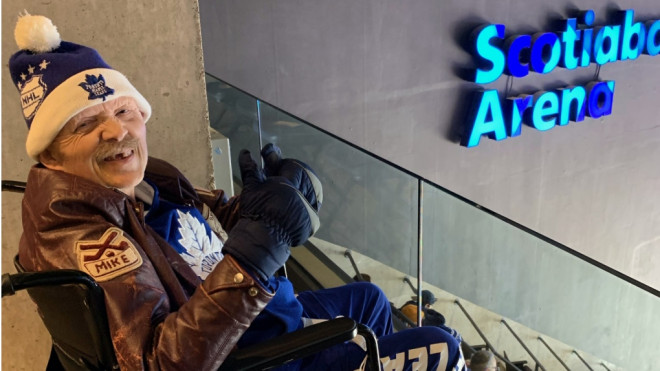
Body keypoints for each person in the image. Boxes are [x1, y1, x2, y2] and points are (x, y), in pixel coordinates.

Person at [10, 12, 466, 370]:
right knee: (438, 348)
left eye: (125, 110)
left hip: (254, 314)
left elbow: (203, 226)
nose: (116, 131)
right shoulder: (82, 236)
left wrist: (267, 202)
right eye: (87, 124)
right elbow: (161, 362)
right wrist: (255, 252)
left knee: (369, 300)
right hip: (244, 353)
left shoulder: (141, 183)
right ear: (50, 154)